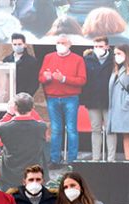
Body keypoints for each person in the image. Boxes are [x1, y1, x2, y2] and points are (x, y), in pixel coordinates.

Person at [39, 34, 87, 164]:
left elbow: (82, 80)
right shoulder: (48, 57)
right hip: (52, 98)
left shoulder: (78, 59)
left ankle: (72, 159)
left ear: (70, 45)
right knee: (56, 129)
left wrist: (64, 79)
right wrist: (47, 77)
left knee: (71, 129)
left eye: (63, 43)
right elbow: (41, 78)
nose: (60, 45)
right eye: (58, 42)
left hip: (70, 98)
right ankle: (55, 159)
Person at [0, 93, 47, 188]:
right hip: (33, 174)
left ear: (14, 108)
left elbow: (0, 132)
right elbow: (38, 121)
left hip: (10, 175)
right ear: (33, 108)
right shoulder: (41, 127)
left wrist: (9, 113)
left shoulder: (3, 128)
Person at [81, 36, 117, 161]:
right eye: (95, 46)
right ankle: (95, 158)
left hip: (109, 101)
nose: (98, 49)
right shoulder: (87, 59)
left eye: (101, 46)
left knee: (110, 130)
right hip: (93, 100)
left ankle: (111, 159)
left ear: (107, 46)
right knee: (95, 129)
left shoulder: (114, 59)